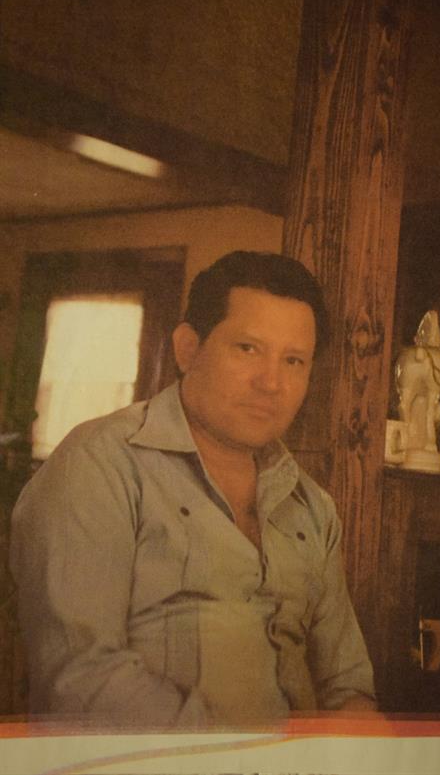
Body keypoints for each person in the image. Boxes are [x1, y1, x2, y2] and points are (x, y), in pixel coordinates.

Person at [10, 250, 376, 728]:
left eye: (293, 360)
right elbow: (80, 682)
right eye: (247, 349)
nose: (271, 382)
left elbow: (347, 684)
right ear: (187, 349)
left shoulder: (312, 507)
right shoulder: (100, 465)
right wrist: (247, 756)